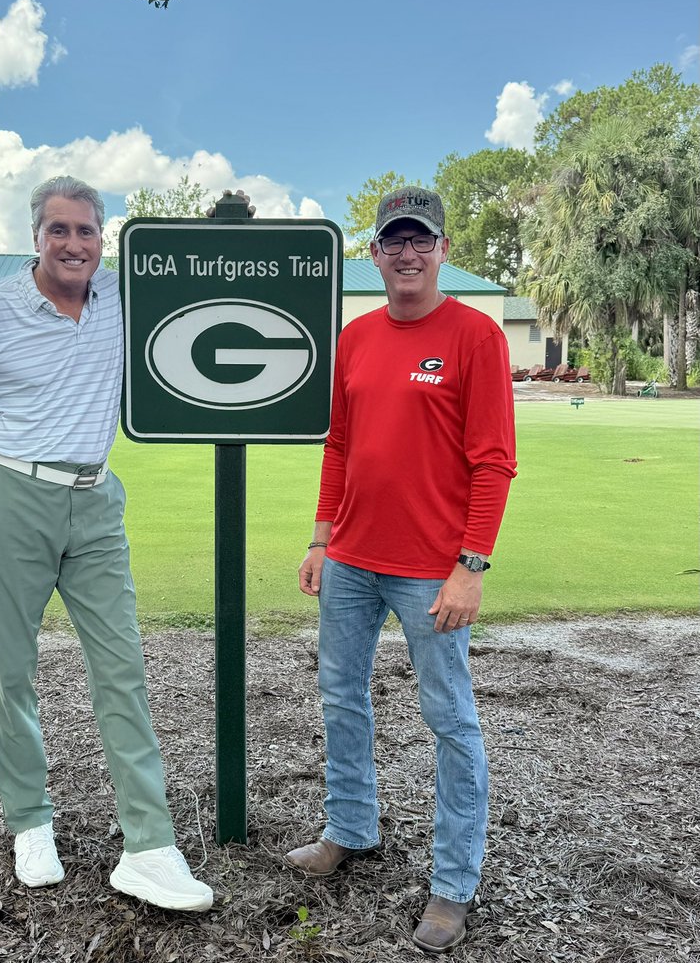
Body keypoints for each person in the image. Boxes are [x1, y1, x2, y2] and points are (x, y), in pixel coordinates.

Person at [0, 175, 212, 912]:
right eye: (58, 230)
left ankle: (148, 845)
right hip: (10, 494)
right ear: (35, 236)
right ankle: (30, 822)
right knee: (10, 669)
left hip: (96, 499)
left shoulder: (118, 297)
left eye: (85, 230)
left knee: (122, 668)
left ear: (101, 237)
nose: (73, 244)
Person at [285, 186, 516, 954]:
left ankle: (453, 885)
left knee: (449, 720)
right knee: (340, 698)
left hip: (431, 572)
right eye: (394, 242)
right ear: (376, 254)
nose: (408, 254)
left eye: (422, 241)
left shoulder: (477, 336)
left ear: (444, 249)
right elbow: (339, 446)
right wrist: (322, 538)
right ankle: (350, 829)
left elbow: (492, 463)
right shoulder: (356, 339)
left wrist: (470, 567)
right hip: (350, 560)